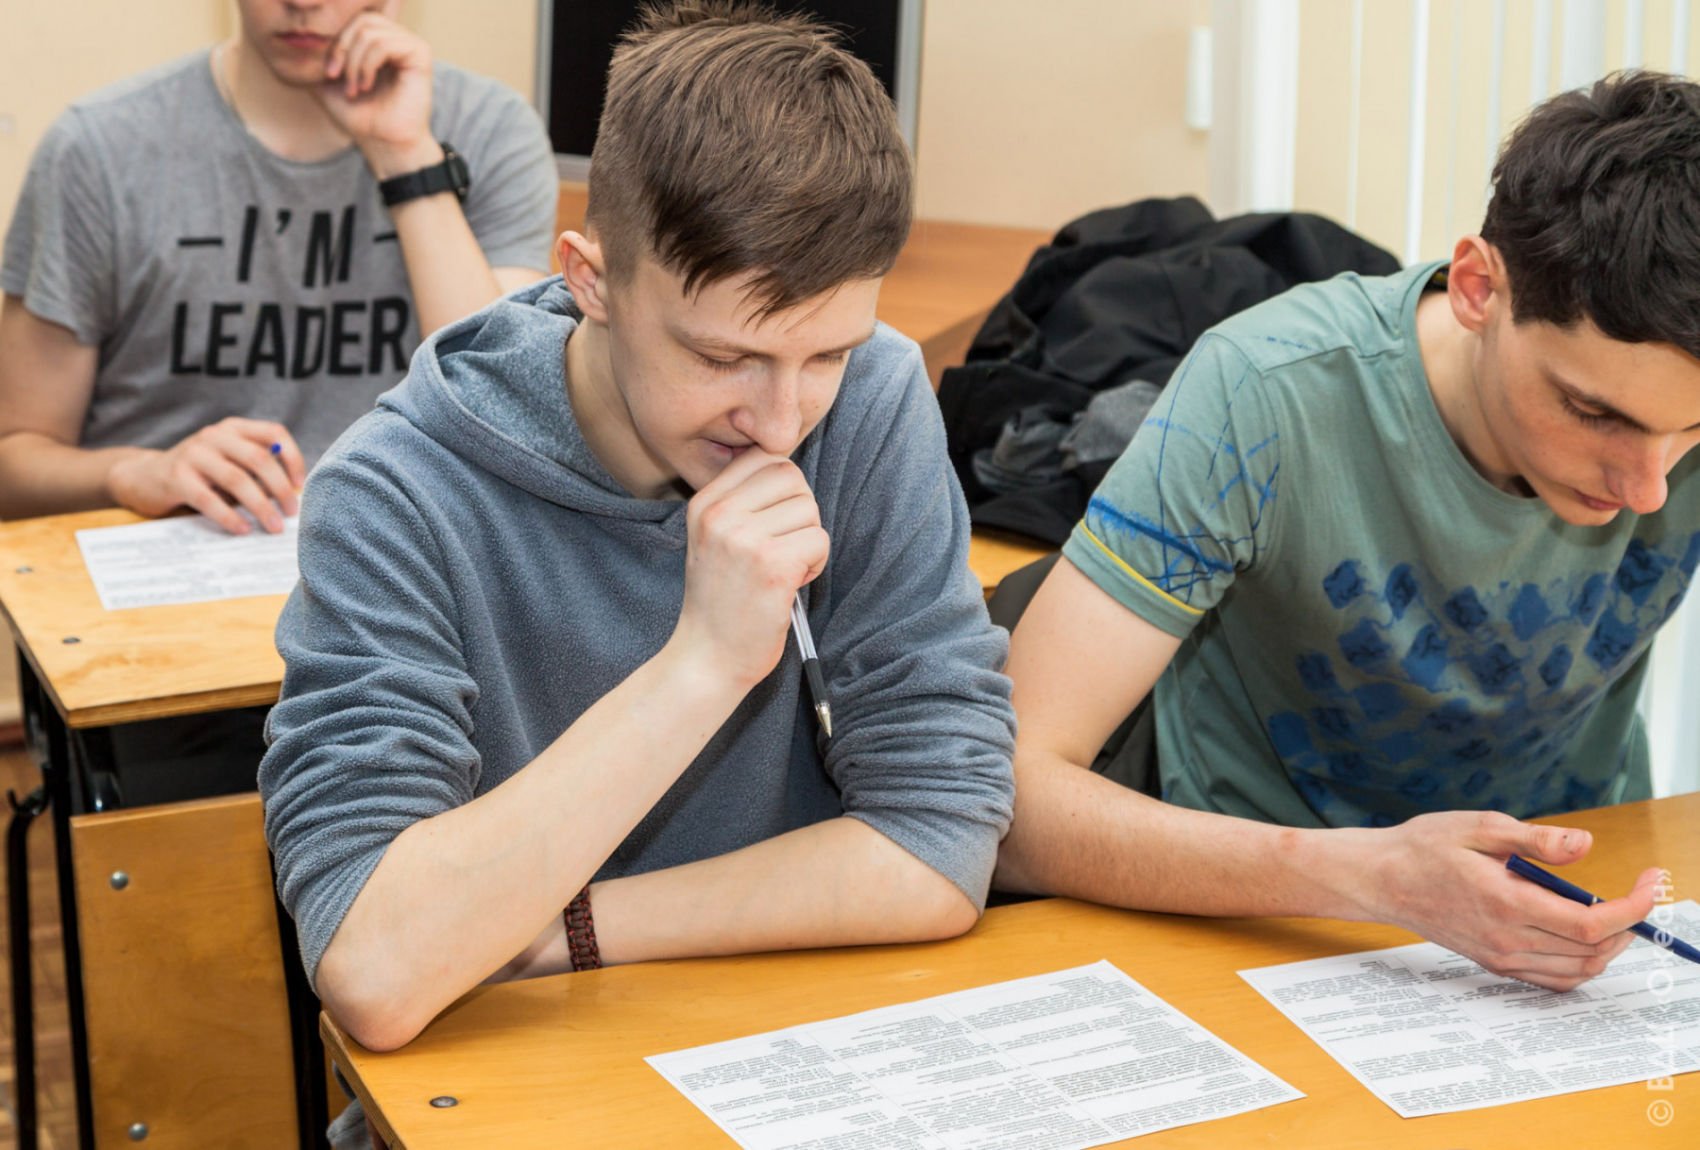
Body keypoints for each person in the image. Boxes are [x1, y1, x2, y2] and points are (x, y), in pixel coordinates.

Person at [260, 3, 1014, 1093]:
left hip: (796, 1053)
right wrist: (704, 663)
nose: (781, 420)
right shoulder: (392, 492)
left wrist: (554, 930)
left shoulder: (873, 393)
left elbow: (940, 846)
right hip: (501, 1087)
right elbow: (376, 969)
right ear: (590, 277)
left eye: (826, 355)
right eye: (722, 356)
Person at [996, 70, 1700, 992]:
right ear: (1480, 288)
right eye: (1594, 413)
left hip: (1584, 904)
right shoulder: (1263, 392)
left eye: (1690, 431)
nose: (1648, 488)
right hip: (1262, 919)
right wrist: (1376, 880)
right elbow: (1005, 801)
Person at [0, 0, 557, 535]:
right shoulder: (98, 148)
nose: (303, 2)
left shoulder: (492, 130)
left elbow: (503, 421)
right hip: (162, 561)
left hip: (398, 558)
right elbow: (14, 460)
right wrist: (134, 472)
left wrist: (405, 155)